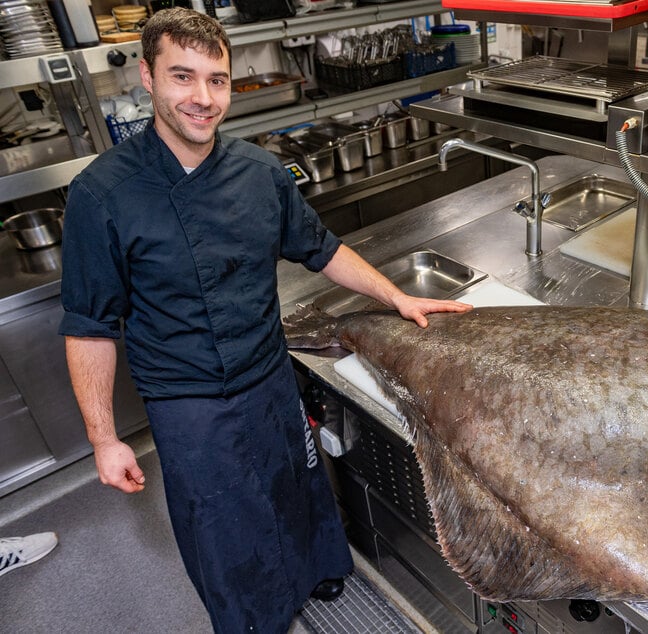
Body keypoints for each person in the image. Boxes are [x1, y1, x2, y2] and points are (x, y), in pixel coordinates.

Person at [58, 8, 470, 633]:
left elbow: (322, 248)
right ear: (147, 77)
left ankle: (317, 572)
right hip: (187, 399)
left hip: (270, 375)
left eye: (217, 80)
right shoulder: (102, 196)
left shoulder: (259, 172)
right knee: (221, 524)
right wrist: (103, 438)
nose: (202, 98)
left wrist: (398, 298)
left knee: (296, 488)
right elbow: (89, 324)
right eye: (182, 77)